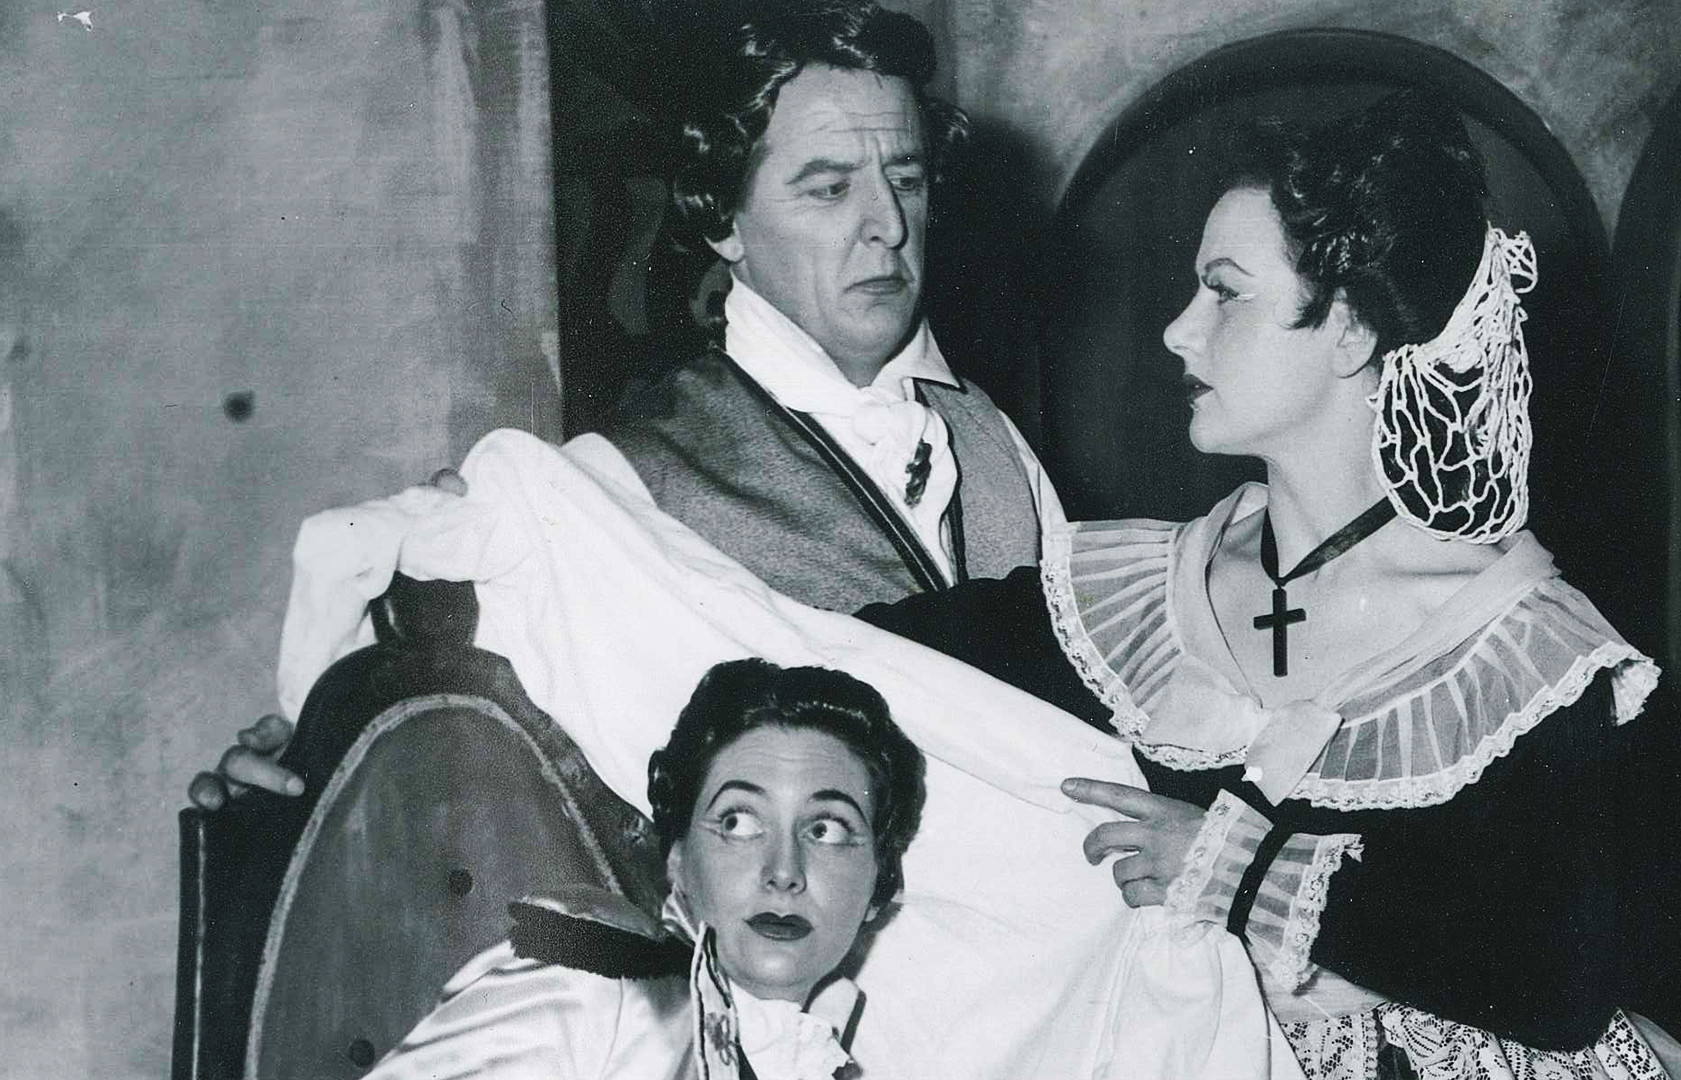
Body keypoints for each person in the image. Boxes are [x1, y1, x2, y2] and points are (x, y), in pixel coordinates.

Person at [853, 91, 1681, 1080]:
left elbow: (1558, 969)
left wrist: (1231, 862)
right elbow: (854, 663)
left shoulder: (1524, 644)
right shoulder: (1131, 597)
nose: (1178, 332)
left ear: (1352, 330)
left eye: (1225, 291)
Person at [189, 0, 1060, 809]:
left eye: (905, 178)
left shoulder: (997, 448)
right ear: (723, 219)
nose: (889, 225)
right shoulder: (611, 487)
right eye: (829, 188)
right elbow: (450, 764)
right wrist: (308, 757)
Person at [209, 658, 926, 1080]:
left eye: (827, 830)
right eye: (737, 822)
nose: (783, 872)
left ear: (878, 889)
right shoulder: (601, 981)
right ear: (678, 861)